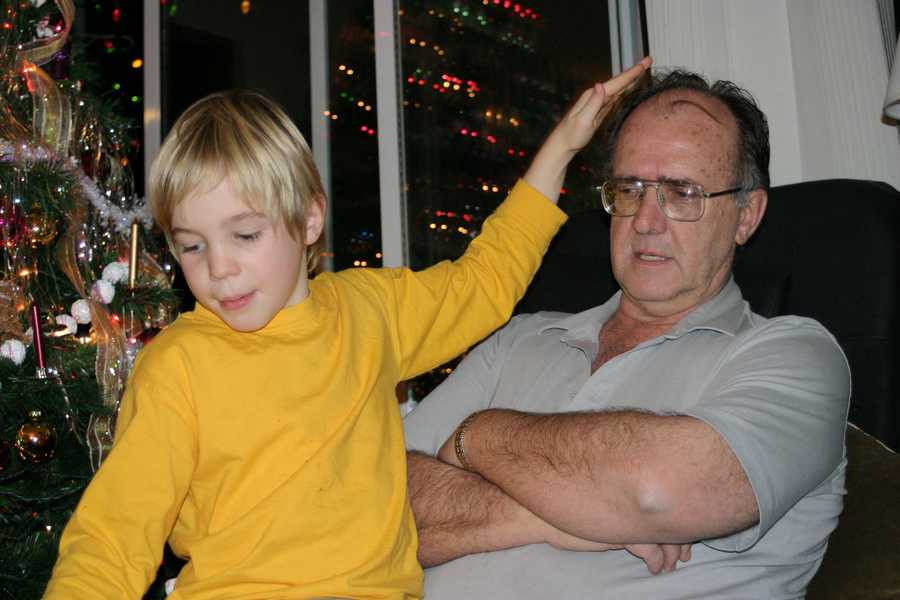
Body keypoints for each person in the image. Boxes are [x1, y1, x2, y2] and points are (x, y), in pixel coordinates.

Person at [43, 61, 652, 600]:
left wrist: (561, 147)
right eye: (192, 246)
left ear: (310, 218)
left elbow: (484, 282)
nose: (219, 268)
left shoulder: (368, 311)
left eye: (244, 235)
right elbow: (114, 536)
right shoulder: (178, 365)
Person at [404, 68, 851, 599]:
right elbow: (372, 500)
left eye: (682, 192)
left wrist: (478, 435)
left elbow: (661, 490)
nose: (645, 220)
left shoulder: (796, 356)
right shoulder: (519, 339)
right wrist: (542, 516)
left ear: (746, 216)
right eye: (630, 189)